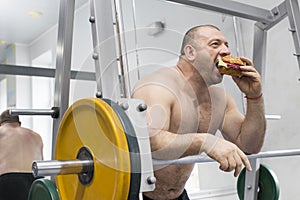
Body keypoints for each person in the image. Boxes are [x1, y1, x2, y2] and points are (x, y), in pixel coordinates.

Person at [132, 24, 266, 200]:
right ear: (190, 52)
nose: (226, 51)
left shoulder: (220, 99)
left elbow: (249, 146)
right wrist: (206, 141)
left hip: (179, 195)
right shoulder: (158, 85)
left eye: (227, 45)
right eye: (215, 44)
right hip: (136, 194)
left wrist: (255, 97)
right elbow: (150, 141)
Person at [0, 109, 44, 200]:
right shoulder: (36, 135)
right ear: (19, 123)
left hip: (9, 180)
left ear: (1, 123)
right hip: (37, 181)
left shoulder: (1, 132)